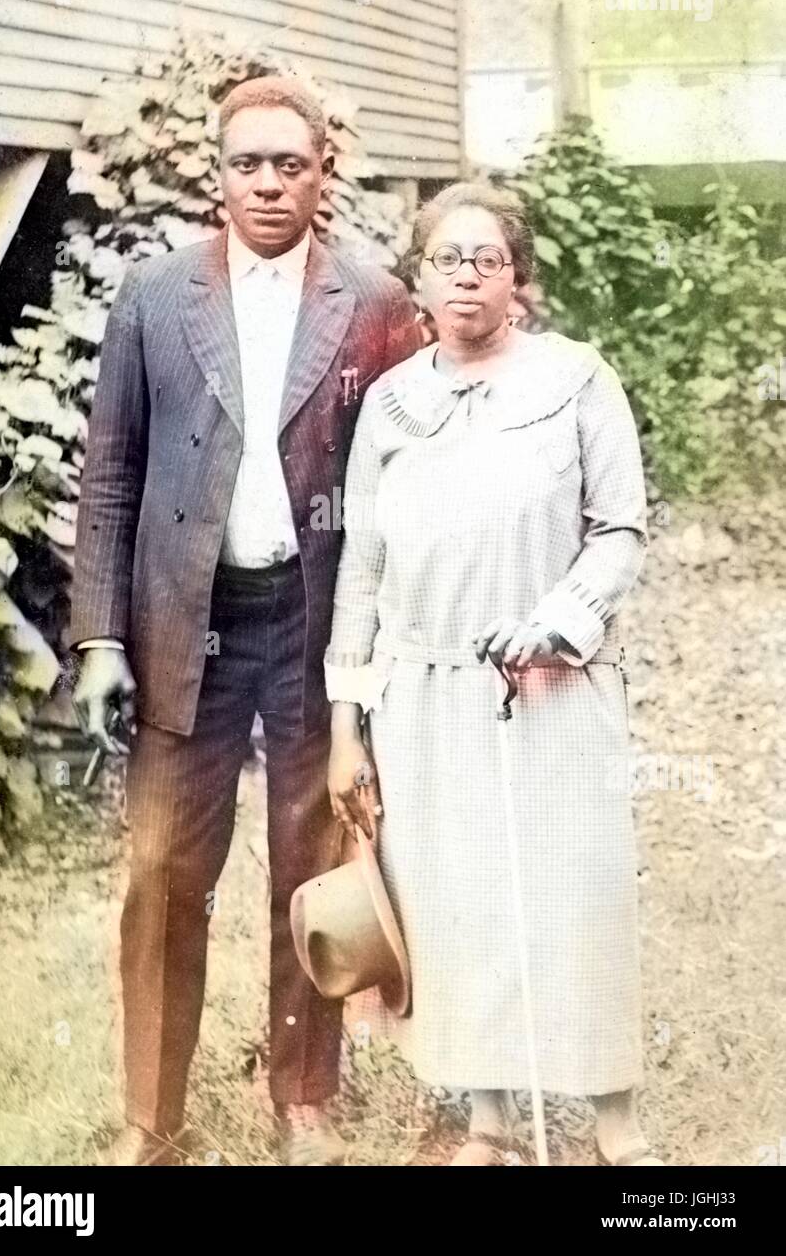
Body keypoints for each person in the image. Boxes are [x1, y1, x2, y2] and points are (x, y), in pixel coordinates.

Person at [70, 76, 419, 1165]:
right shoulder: (152, 296)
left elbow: (405, 481)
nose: (269, 183)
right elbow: (111, 473)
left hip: (313, 626)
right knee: (162, 870)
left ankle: (304, 1095)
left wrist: (385, 653)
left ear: (323, 173)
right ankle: (151, 1115)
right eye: (247, 163)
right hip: (188, 623)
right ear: (216, 175)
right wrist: (98, 639)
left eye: (291, 163)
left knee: (308, 863)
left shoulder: (372, 300)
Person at [325, 182, 662, 1167]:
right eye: (446, 259)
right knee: (456, 898)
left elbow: (620, 531)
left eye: (486, 258)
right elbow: (362, 568)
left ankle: (613, 1117)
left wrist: (558, 625)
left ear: (518, 276)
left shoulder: (578, 379)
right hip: (425, 696)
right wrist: (349, 720)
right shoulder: (392, 405)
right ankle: (489, 1119)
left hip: (553, 687)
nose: (466, 276)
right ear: (418, 278)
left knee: (579, 892)